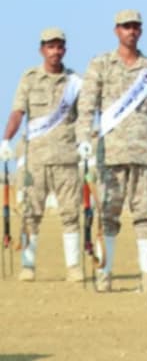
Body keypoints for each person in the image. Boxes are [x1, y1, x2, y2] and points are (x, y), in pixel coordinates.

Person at [76, 10, 147, 292]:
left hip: (144, 151)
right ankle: (105, 273)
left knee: (145, 215)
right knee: (107, 215)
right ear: (117, 30)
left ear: (141, 31)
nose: (131, 31)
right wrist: (83, 138)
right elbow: (87, 105)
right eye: (126, 27)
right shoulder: (101, 64)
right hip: (110, 152)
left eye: (136, 27)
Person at [1, 28, 83, 282]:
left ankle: (73, 267)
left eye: (59, 47)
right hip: (35, 158)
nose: (55, 51)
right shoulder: (29, 79)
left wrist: (86, 143)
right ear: (42, 50)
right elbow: (17, 112)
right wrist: (6, 139)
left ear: (64, 50)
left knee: (70, 214)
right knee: (31, 213)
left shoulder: (75, 82)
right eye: (50, 46)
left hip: (67, 158)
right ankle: (28, 266)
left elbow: (84, 117)